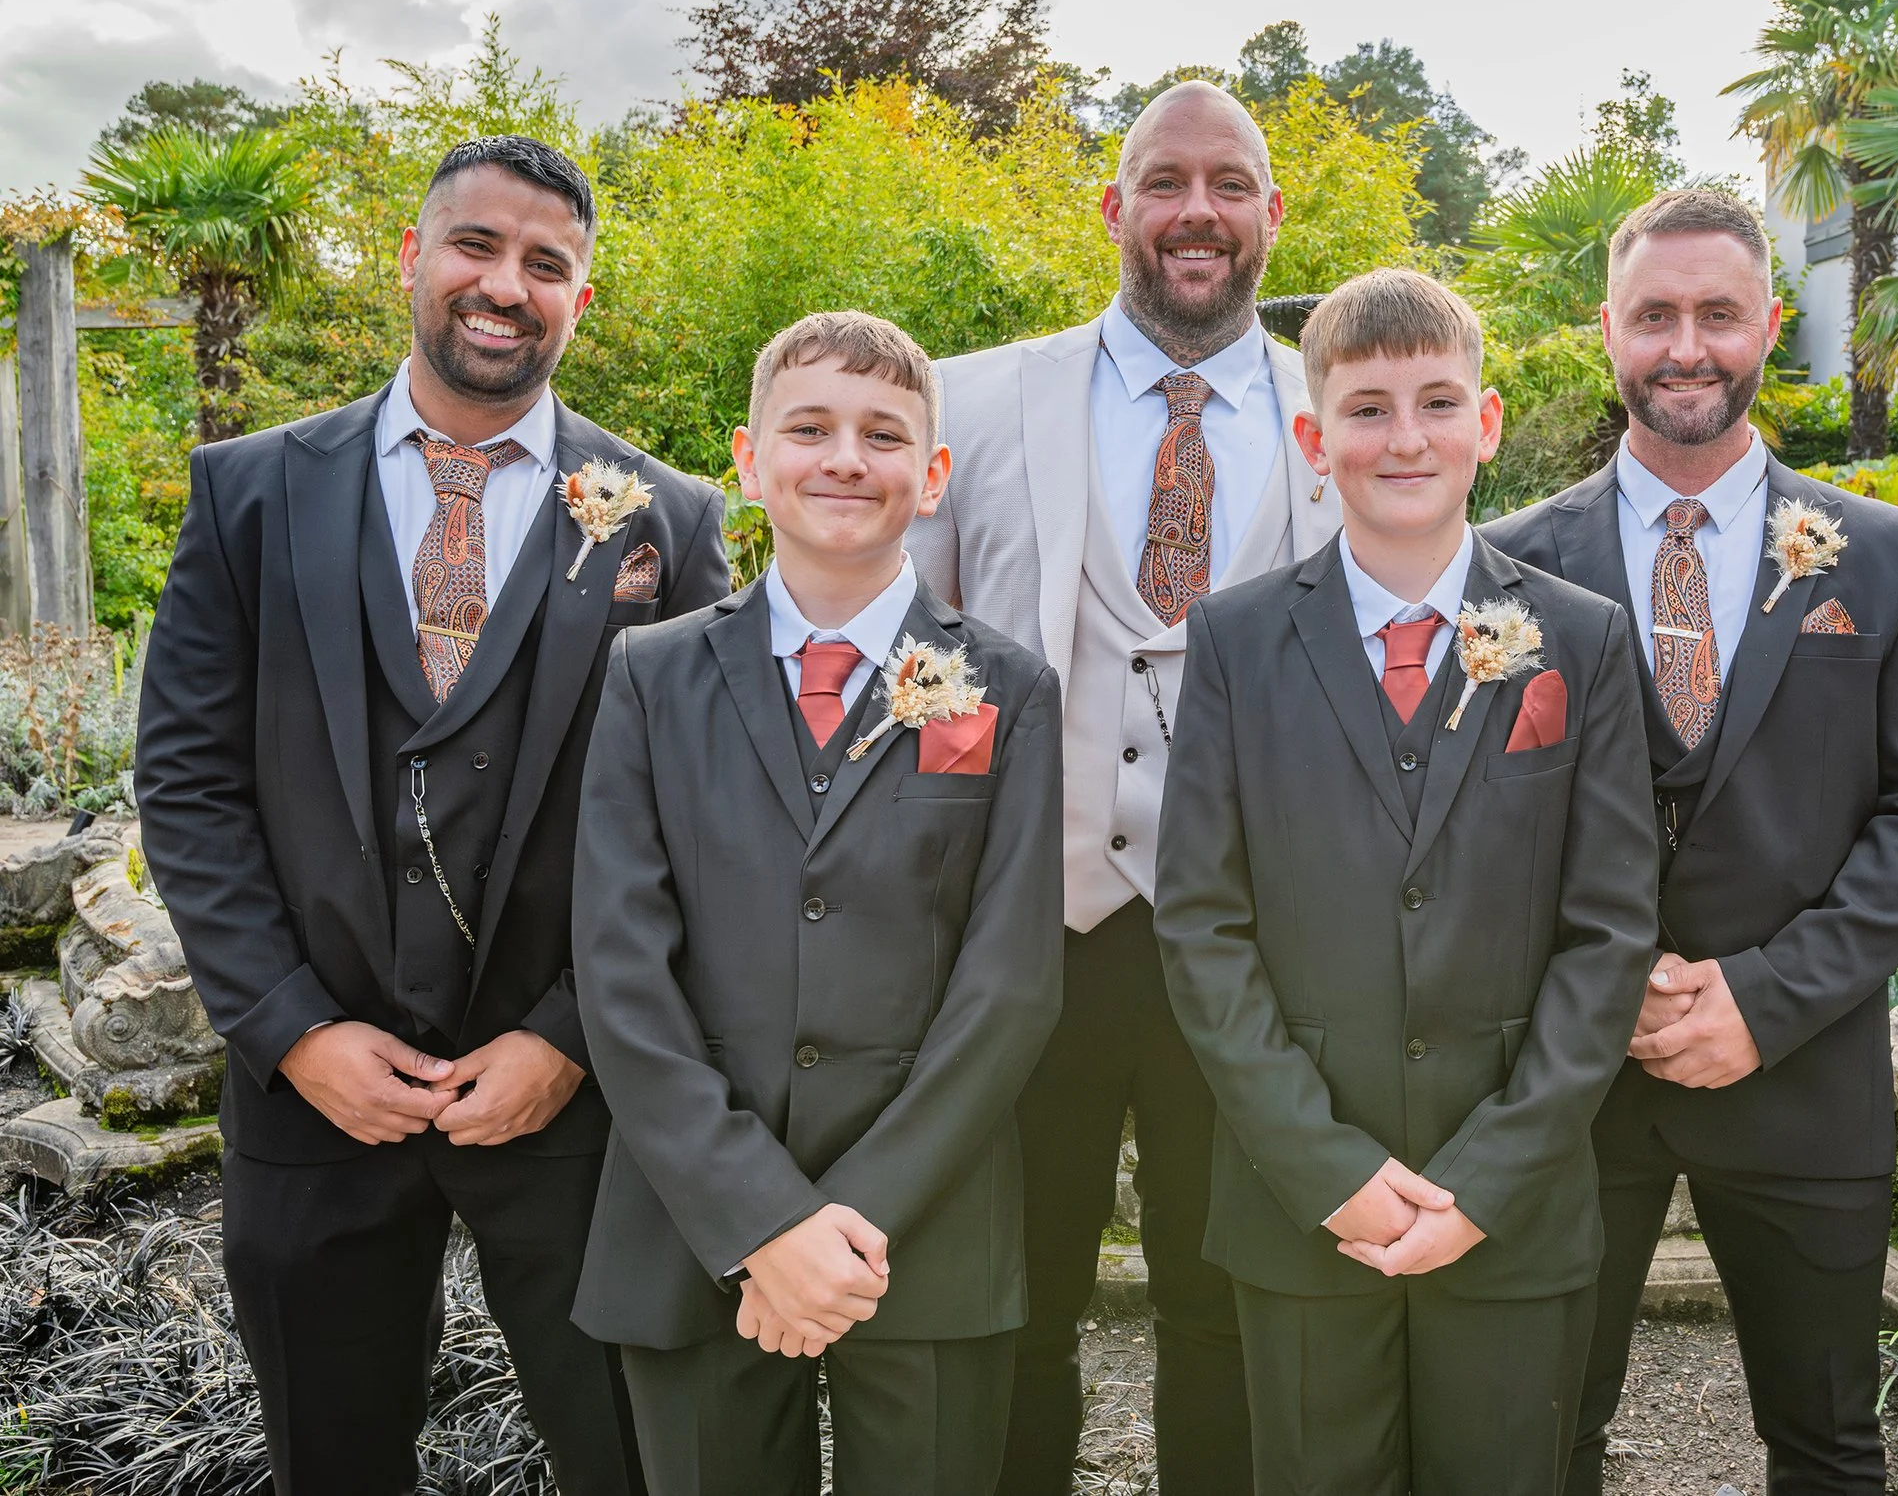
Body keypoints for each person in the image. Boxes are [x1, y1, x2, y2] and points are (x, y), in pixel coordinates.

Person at [135, 135, 730, 1494]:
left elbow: (705, 818)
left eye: (548, 264)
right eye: (476, 245)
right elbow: (186, 775)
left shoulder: (666, 522)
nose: (505, 284)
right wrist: (290, 1031)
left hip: (574, 1112)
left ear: (582, 297)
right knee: (333, 1464)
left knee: (630, 1459)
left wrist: (571, 1038)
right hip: (317, 1111)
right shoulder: (253, 493)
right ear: (412, 259)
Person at [1482, 187, 1898, 1496]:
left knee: (1827, 1444)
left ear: (1770, 322)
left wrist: (1764, 998)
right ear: (1608, 331)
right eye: (1655, 315)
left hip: (1800, 1071)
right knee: (1539, 1433)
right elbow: (1474, 822)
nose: (1686, 343)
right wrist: (1610, 978)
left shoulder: (1892, 557)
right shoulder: (1505, 567)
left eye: (1718, 312)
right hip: (1568, 1081)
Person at [1156, 268, 1657, 1494]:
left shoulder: (1581, 638)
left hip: (1513, 1198)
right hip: (1303, 1201)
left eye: (1438, 402)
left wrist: (1490, 1176)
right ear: (1314, 439)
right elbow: (1202, 925)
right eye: (1368, 408)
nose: (1405, 437)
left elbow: (1607, 930)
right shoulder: (1234, 638)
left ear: (1483, 426)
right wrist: (1325, 1169)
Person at [908, 78, 1337, 1492]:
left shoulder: (1348, 415)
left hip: (1260, 947)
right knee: (1020, 1294)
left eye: (1230, 183)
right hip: (1036, 933)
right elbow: (907, 671)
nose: (1197, 211)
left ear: (1274, 214)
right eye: (1165, 180)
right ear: (1115, 208)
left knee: (1226, 1300)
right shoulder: (970, 400)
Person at [568, 311, 1064, 1493]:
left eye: (884, 433)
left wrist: (852, 1222)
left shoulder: (1010, 688)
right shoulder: (651, 674)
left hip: (925, 1229)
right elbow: (621, 968)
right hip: (693, 1227)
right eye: (811, 427)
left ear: (931, 474)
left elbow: (1009, 983)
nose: (846, 457)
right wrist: (761, 1222)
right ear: (748, 459)